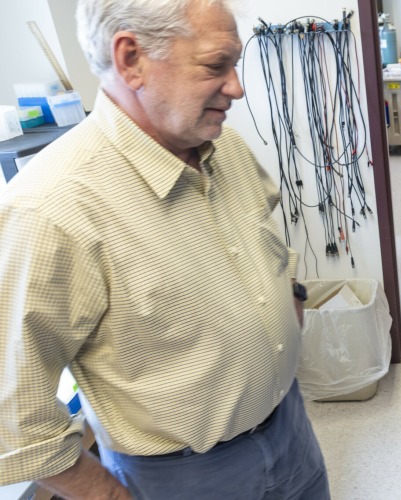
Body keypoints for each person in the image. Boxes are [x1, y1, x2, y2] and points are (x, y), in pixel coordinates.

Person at [0, 1, 329, 499]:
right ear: (131, 59)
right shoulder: (49, 209)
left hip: (290, 426)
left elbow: (270, 246)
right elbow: (15, 417)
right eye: (215, 65)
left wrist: (291, 294)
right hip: (182, 477)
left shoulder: (228, 149)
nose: (236, 87)